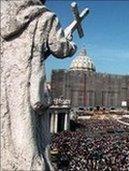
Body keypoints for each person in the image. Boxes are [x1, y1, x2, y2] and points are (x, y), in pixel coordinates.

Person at [0, 0, 76, 170]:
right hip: (28, 83)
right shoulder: (45, 16)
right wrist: (71, 44)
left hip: (4, 80)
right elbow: (60, 48)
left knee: (6, 129)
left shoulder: (3, 13)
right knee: (27, 133)